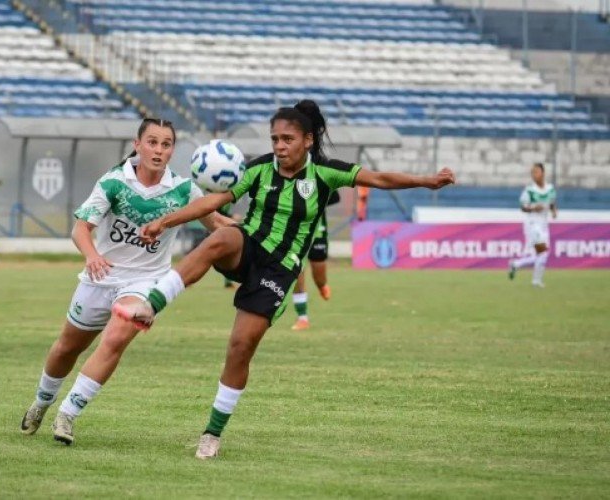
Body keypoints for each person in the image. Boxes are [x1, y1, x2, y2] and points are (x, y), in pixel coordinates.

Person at [112, 100, 456, 459]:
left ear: (307, 140)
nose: (279, 146)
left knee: (240, 348)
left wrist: (426, 182)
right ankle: (151, 305)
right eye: (274, 138)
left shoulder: (325, 173)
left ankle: (212, 433)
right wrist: (165, 221)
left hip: (278, 271)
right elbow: (216, 201)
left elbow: (380, 178)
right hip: (248, 248)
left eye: (287, 138)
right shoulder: (260, 169)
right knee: (222, 237)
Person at [20, 118, 232, 445]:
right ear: (137, 144)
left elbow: (217, 223)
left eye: (166, 144)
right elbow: (80, 228)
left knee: (116, 338)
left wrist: (255, 231)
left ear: (173, 150)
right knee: (67, 347)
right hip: (101, 277)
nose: (158, 150)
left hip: (146, 282)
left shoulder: (184, 189)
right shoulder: (113, 183)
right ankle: (42, 401)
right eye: (152, 142)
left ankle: (68, 413)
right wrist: (92, 256)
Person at [290, 190, 339, 331]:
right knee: (297, 269)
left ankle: (322, 286)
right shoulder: (287, 176)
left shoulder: (319, 173)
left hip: (317, 231)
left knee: (319, 276)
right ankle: (302, 317)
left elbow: (335, 197)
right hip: (295, 232)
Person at [508, 163, 557, 287]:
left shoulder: (550, 188)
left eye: (536, 172)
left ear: (543, 173)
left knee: (541, 255)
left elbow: (552, 202)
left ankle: (516, 264)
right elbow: (523, 207)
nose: (534, 175)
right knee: (543, 253)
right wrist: (534, 207)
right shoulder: (529, 190)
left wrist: (554, 211)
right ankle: (536, 281)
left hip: (544, 225)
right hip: (532, 225)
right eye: (532, 173)